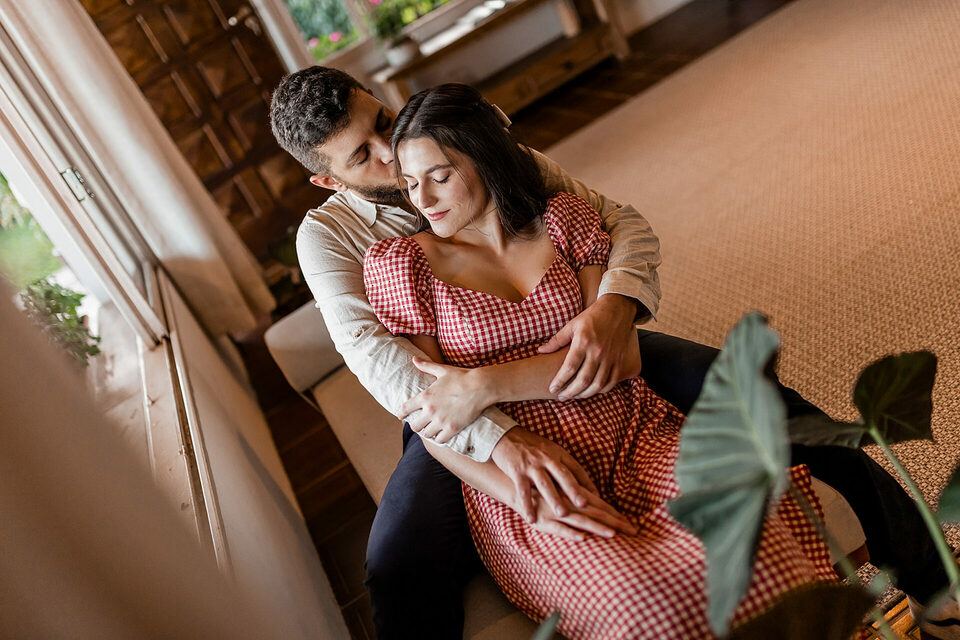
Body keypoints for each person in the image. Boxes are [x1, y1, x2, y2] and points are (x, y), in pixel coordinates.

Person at [268, 67, 955, 639]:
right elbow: (387, 368)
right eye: (362, 156)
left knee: (766, 399)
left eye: (384, 123)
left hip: (580, 341)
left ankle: (933, 578)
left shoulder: (468, 148)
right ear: (329, 182)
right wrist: (502, 442)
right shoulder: (332, 242)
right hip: (449, 394)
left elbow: (618, 223)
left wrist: (611, 310)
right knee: (396, 568)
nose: (393, 154)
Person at [362, 82, 842, 638]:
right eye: (409, 182)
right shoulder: (401, 264)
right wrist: (524, 494)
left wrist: (482, 386)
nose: (420, 198)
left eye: (438, 175)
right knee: (649, 608)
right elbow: (439, 421)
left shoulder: (564, 220)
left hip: (635, 429)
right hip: (527, 474)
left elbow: (619, 359)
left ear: (485, 155)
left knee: (755, 542)